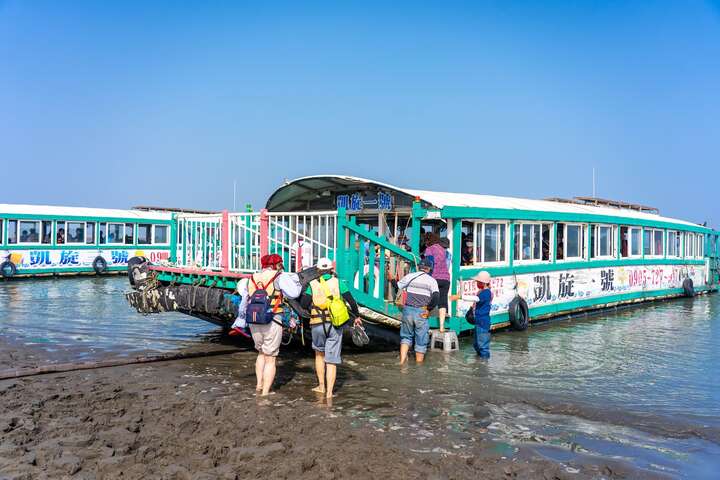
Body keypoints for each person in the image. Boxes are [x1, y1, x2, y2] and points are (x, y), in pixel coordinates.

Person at [230, 254, 301, 396]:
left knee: (261, 353)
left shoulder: (251, 278)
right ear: (277, 265)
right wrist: (297, 283)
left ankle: (258, 386)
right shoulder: (279, 276)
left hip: (254, 320)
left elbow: (244, 295)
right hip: (272, 319)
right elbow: (294, 293)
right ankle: (265, 393)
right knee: (271, 358)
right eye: (280, 264)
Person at [300, 257, 362, 399]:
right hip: (335, 324)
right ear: (331, 269)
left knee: (319, 355)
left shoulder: (312, 284)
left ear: (318, 270)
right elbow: (351, 302)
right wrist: (357, 316)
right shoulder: (339, 283)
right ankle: (329, 393)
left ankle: (321, 386)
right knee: (332, 359)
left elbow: (304, 304)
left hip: (317, 324)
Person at [396, 258, 439, 364]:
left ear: (419, 267)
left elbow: (397, 286)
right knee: (421, 339)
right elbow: (436, 296)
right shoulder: (431, 281)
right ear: (429, 269)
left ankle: (402, 362)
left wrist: (392, 279)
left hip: (408, 310)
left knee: (406, 337)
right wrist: (429, 309)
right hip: (421, 311)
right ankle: (419, 365)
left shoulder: (410, 276)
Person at [451, 271, 493, 358]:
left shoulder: (486, 293)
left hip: (483, 322)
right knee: (477, 345)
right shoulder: (483, 291)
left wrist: (460, 297)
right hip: (479, 322)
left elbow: (476, 299)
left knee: (483, 347)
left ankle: (483, 366)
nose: (476, 283)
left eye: (478, 281)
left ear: (483, 283)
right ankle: (480, 363)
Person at [423, 233, 451, 332]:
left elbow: (428, 264)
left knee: (428, 299)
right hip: (446, 279)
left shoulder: (430, 249)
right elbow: (447, 266)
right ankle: (442, 326)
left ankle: (424, 320)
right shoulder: (447, 252)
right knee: (442, 302)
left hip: (434, 278)